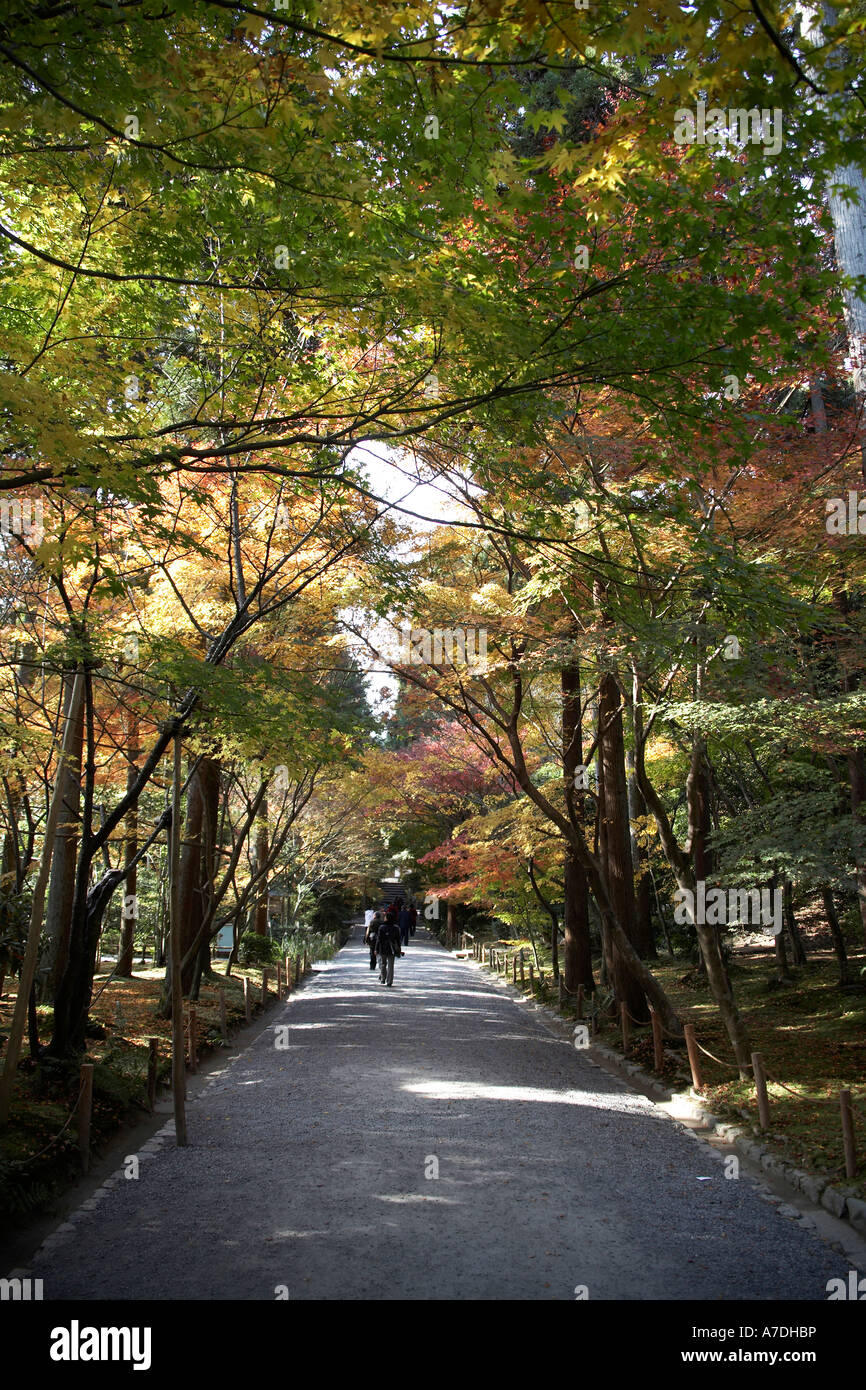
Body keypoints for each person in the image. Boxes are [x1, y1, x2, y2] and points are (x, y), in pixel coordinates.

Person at [376, 912, 401, 986]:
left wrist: (376, 949)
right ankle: (390, 981)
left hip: (383, 948)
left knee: (383, 964)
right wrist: (399, 948)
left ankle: (383, 978)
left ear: (386, 918)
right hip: (392, 948)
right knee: (391, 965)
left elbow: (379, 939)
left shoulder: (381, 927)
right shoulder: (396, 928)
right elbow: (398, 940)